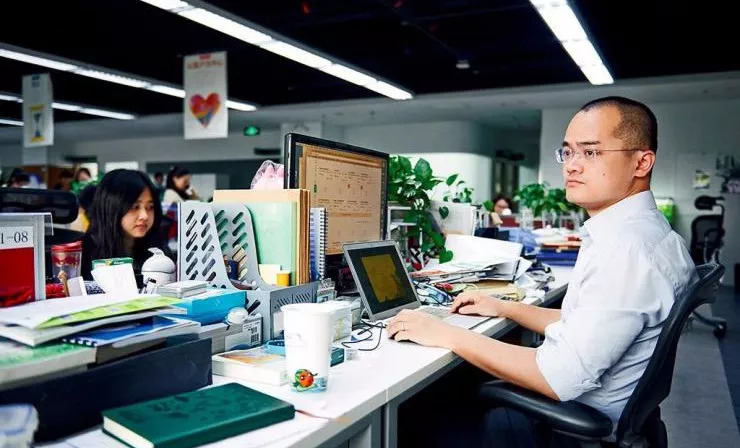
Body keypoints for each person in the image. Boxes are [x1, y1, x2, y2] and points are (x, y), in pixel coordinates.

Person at [388, 96, 697, 447]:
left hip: (570, 427)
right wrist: (506, 308)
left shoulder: (626, 251)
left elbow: (557, 377)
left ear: (641, 162)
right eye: (568, 152)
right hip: (609, 415)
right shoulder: (654, 236)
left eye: (591, 152)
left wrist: (445, 333)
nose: (572, 166)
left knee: (415, 414)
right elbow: (585, 322)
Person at [81, 169, 171, 281]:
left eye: (150, 207)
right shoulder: (83, 254)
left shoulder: (158, 249)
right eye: (135, 207)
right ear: (111, 208)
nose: (144, 216)